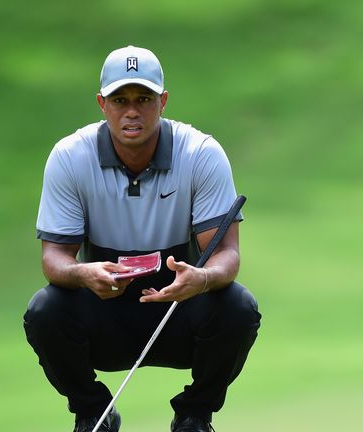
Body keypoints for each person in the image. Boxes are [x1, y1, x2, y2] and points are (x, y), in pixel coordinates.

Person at [23, 45, 261, 432]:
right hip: (103, 305)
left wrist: (200, 279)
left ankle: (194, 417)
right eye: (120, 99)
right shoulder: (70, 157)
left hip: (178, 303)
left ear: (163, 101)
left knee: (238, 306)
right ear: (102, 104)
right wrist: (85, 275)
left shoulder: (200, 153)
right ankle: (93, 414)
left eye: (144, 98)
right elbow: (54, 259)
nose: (131, 110)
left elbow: (227, 256)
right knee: (45, 310)